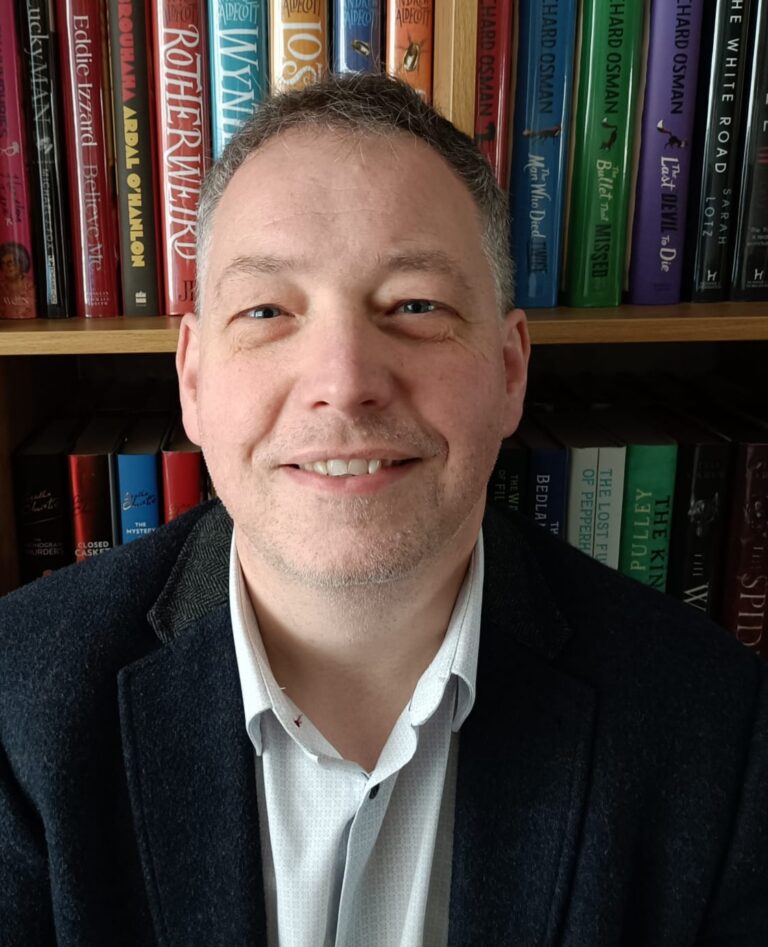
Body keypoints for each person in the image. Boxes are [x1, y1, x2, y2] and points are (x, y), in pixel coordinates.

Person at [1, 73, 767, 947]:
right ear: (194, 377)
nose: (344, 382)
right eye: (266, 309)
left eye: (414, 305)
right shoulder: (16, 710)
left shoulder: (716, 730)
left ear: (510, 370)